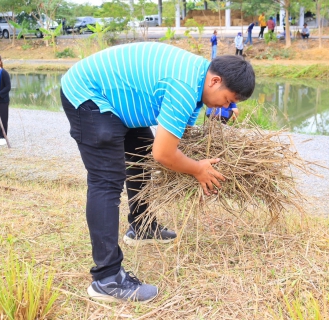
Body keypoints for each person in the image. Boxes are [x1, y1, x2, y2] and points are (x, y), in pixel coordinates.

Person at [60, 42, 255, 303]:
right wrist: (198, 169)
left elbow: (179, 136)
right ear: (215, 81)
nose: (224, 105)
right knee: (106, 181)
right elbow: (163, 154)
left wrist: (216, 124)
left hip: (117, 100)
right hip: (89, 94)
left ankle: (141, 226)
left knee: (140, 151)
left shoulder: (199, 78)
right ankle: (107, 279)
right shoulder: (184, 86)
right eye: (227, 100)